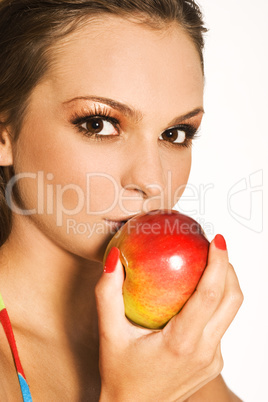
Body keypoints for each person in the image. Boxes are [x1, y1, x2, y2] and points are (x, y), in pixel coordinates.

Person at [0, 0, 244, 400]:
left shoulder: (171, 353)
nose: (151, 180)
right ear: (4, 135)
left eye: (175, 134)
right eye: (99, 124)